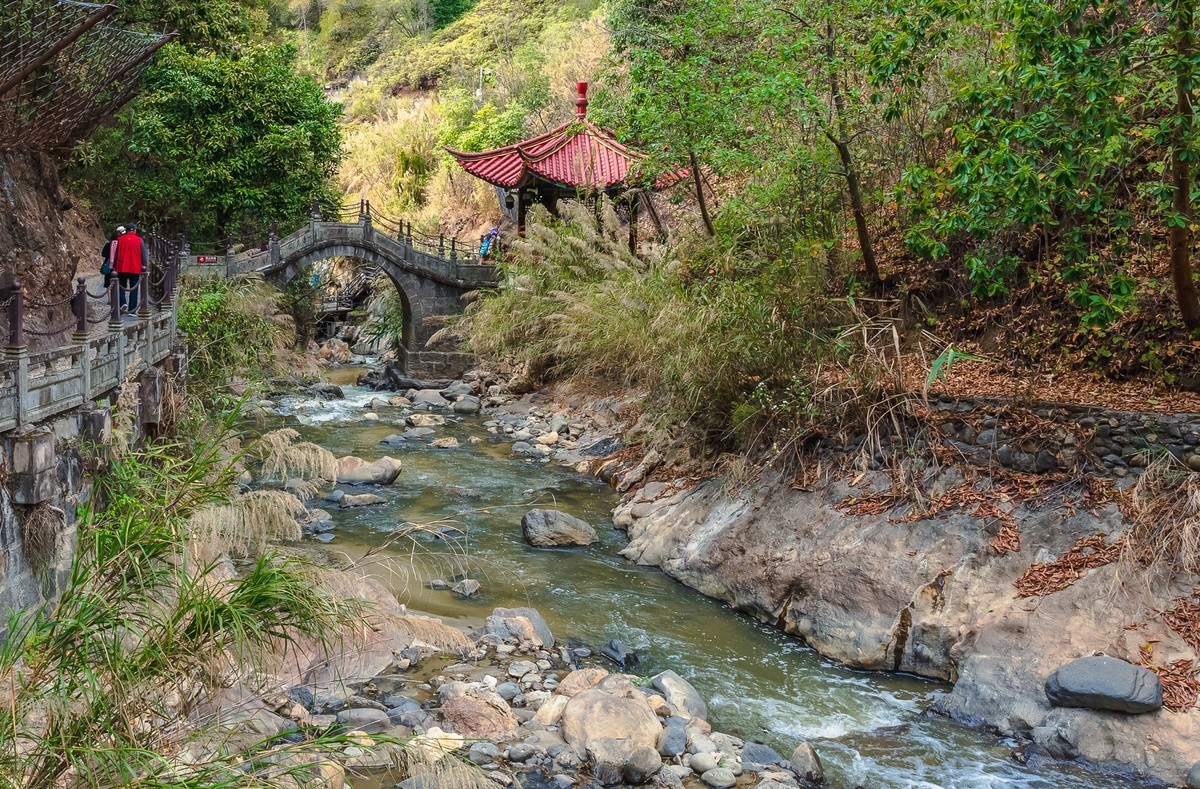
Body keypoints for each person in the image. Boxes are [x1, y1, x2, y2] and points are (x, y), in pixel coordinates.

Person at [113, 222, 148, 313]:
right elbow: (143, 256)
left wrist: (114, 266)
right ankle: (132, 310)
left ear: (126, 230)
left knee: (121, 287)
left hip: (122, 267)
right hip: (135, 268)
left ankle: (122, 304)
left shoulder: (120, 239)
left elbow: (116, 255)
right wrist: (145, 266)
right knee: (134, 289)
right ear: (135, 230)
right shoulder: (139, 240)